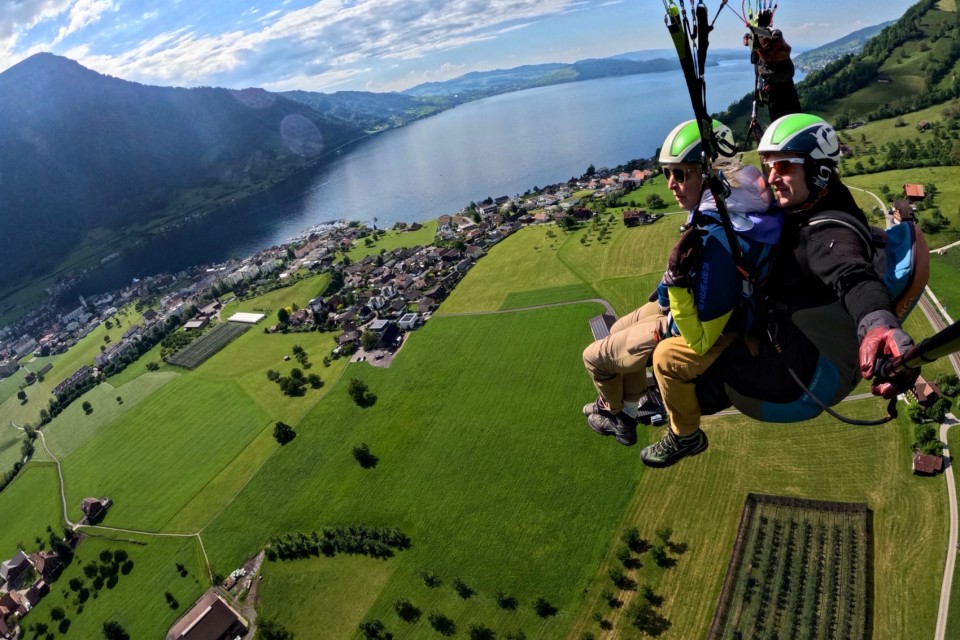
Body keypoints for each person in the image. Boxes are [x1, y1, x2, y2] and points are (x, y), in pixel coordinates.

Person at [582, 120, 782, 462]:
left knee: (595, 357)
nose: (672, 185)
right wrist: (663, 294)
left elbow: (699, 335)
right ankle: (629, 411)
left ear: (709, 174)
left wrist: (671, 294)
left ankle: (615, 411)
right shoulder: (730, 202)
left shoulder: (716, 235)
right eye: (667, 174)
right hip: (693, 307)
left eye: (682, 174)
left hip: (707, 324)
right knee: (617, 330)